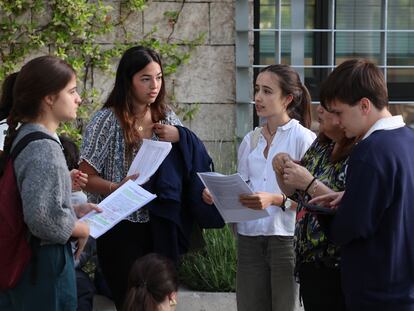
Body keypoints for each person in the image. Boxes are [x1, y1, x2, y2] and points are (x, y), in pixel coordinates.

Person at [79, 45, 223, 310]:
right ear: (128, 80)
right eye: (145, 78)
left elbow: (195, 161)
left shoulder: (165, 117)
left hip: (160, 223)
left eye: (158, 77)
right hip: (119, 225)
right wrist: (116, 186)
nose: (154, 85)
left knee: (160, 301)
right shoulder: (106, 120)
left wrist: (181, 136)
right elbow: (84, 178)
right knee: (130, 301)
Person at [309, 59, 414, 310]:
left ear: (364, 105)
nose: (336, 120)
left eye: (340, 112)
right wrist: (351, 194)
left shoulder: (369, 150)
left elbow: (351, 228)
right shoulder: (408, 139)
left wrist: (324, 213)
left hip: (376, 292)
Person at [0, 56, 91, 310]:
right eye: (72, 91)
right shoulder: (43, 147)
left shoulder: (29, 136)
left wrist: (71, 210)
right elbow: (43, 220)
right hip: (42, 265)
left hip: (32, 262)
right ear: (49, 98)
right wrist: (82, 229)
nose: (78, 99)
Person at [232, 64, 316, 311]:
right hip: (248, 238)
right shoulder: (250, 140)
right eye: (257, 89)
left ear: (288, 98)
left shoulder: (303, 139)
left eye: (267, 91)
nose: (258, 97)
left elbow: (313, 201)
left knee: (284, 307)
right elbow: (243, 187)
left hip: (285, 239)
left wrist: (276, 199)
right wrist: (219, 195)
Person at [272, 104, 357, 311]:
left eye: (327, 107)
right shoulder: (321, 145)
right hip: (309, 263)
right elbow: (295, 193)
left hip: (336, 265)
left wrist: (309, 183)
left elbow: (349, 206)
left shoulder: (359, 152)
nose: (318, 110)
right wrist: (282, 168)